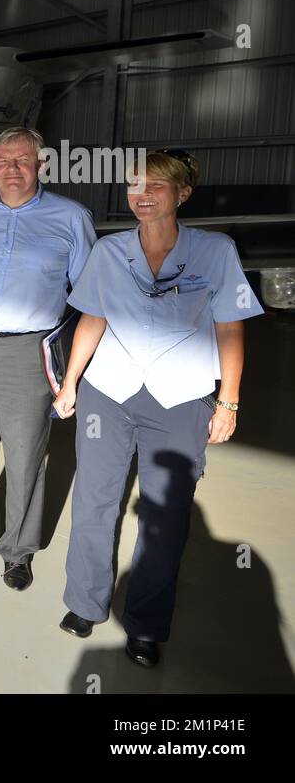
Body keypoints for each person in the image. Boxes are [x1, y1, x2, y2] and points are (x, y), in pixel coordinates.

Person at [52, 150, 262, 667]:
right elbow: (92, 320)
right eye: (134, 185)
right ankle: (85, 602)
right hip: (110, 389)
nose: (141, 195)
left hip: (182, 394)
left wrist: (228, 402)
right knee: (95, 500)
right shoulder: (109, 250)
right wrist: (71, 383)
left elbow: (231, 327)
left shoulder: (216, 251)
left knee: (165, 517)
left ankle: (145, 625)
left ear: (183, 194)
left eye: (156, 186)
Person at [0, 126, 96, 590]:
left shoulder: (71, 218)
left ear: (42, 165)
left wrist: (73, 368)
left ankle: (18, 549)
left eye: (23, 160)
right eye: (4, 161)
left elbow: (88, 297)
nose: (13, 169)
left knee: (25, 452)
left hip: (28, 349)